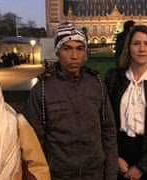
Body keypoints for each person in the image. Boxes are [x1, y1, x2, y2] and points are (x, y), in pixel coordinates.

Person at [23, 22, 118, 179]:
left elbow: (109, 131)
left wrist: (111, 174)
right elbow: (34, 142)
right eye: (67, 48)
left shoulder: (97, 84)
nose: (74, 55)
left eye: (79, 48)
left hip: (95, 174)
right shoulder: (42, 89)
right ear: (58, 51)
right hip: (58, 175)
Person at [105, 25, 147, 180]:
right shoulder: (113, 77)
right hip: (118, 149)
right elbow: (104, 120)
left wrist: (144, 166)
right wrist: (114, 156)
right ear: (128, 48)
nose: (142, 49)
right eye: (136, 44)